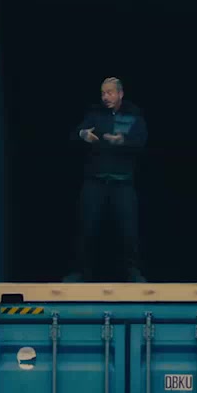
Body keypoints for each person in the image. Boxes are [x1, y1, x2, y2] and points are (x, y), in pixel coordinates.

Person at [66, 77, 148, 283]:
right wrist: (83, 135)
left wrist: (123, 141)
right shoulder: (94, 114)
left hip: (122, 182)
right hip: (95, 181)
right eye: (103, 93)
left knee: (128, 229)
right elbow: (74, 136)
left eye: (110, 92)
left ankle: (132, 272)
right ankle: (80, 272)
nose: (105, 97)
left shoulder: (133, 116)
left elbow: (142, 142)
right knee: (86, 227)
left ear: (120, 94)